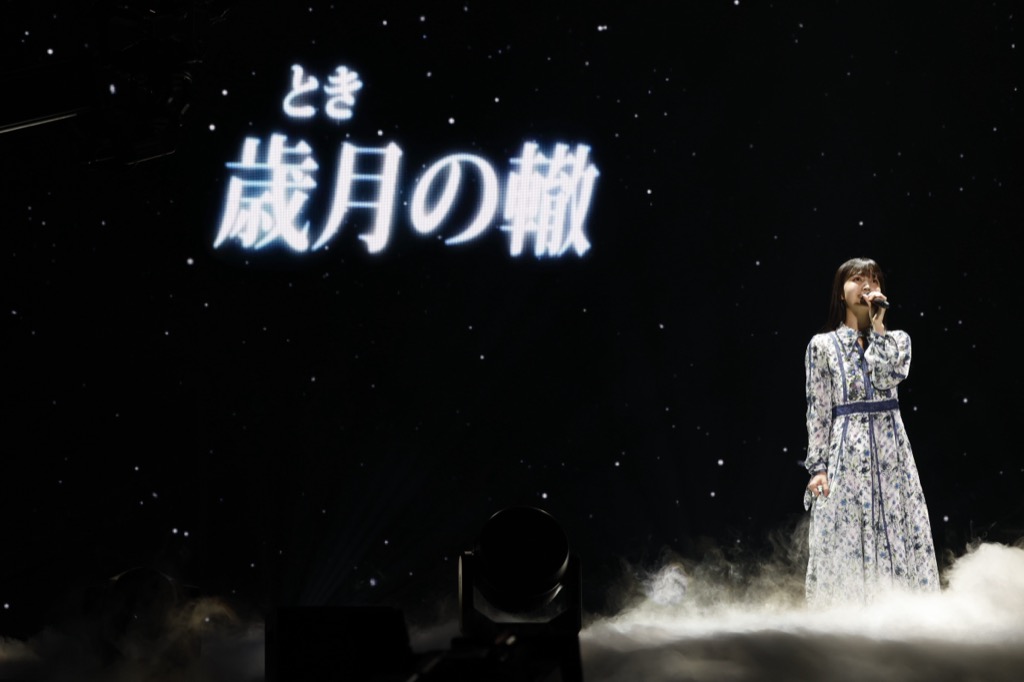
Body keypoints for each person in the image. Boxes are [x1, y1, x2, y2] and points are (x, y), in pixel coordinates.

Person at [803, 257, 939, 604]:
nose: (867, 285)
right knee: (846, 530)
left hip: (891, 452)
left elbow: (886, 377)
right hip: (847, 452)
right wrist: (818, 468)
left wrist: (878, 328)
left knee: (897, 526)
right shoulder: (822, 346)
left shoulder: (897, 341)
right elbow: (818, 411)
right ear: (841, 292)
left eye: (874, 280)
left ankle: (900, 609)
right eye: (857, 279)